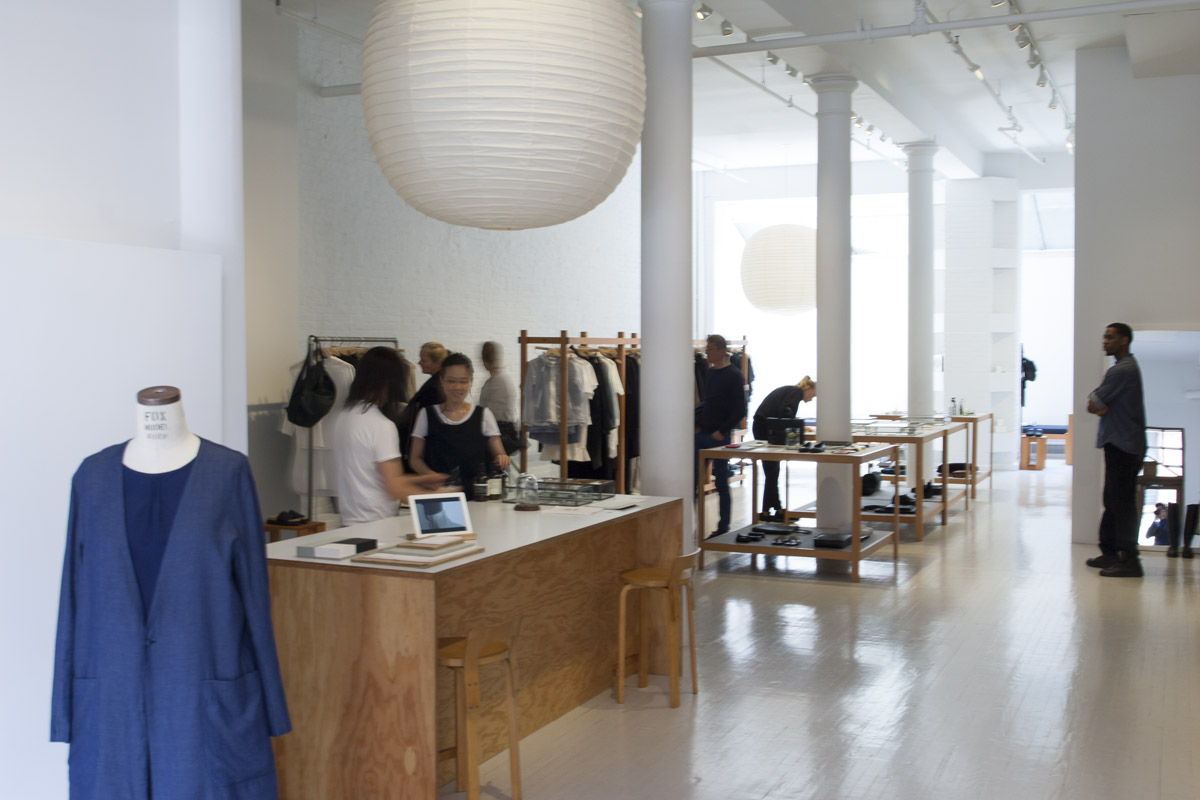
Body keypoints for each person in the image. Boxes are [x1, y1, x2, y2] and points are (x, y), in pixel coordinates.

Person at [335, 347, 446, 525]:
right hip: (377, 524)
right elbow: (395, 488)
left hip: (349, 521)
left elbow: (371, 474)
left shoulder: (344, 417)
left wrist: (420, 479)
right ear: (390, 381)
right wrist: (441, 497)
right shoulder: (381, 425)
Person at [1085, 322, 1147, 577]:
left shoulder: (1122, 370)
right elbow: (1096, 404)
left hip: (1125, 445)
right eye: (1104, 337)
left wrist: (1098, 405)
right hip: (1122, 443)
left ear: (1124, 340)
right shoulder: (1122, 369)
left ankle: (1130, 561)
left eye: (1110, 337)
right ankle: (1110, 553)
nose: (1105, 341)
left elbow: (1093, 402)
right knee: (1112, 500)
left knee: (1121, 503)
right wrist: (1098, 405)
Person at [410, 353, 512, 500]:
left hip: (477, 499)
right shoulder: (426, 414)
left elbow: (499, 454)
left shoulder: (483, 415)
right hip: (439, 497)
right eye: (451, 381)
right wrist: (432, 477)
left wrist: (502, 458)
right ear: (441, 381)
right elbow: (415, 459)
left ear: (470, 381)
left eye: (463, 381)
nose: (457, 387)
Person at [694, 334, 748, 536]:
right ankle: (691, 525)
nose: (706, 352)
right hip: (702, 434)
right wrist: (698, 424)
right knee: (692, 480)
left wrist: (722, 430)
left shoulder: (734, 374)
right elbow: (707, 402)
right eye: (706, 349)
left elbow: (740, 409)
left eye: (709, 349)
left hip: (719, 437)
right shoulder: (709, 372)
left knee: (721, 481)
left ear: (720, 351)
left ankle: (723, 527)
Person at [752, 376, 817, 520]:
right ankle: (768, 511)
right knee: (772, 470)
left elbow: (784, 414)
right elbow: (785, 414)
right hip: (765, 429)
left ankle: (773, 509)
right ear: (808, 388)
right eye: (813, 394)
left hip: (764, 427)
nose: (812, 399)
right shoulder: (795, 392)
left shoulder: (791, 392)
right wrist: (797, 428)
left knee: (772, 471)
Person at [479, 340, 521, 455]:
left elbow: (493, 412)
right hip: (496, 427)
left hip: (498, 429)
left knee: (499, 465)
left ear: (485, 359)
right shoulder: (494, 380)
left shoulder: (498, 381)